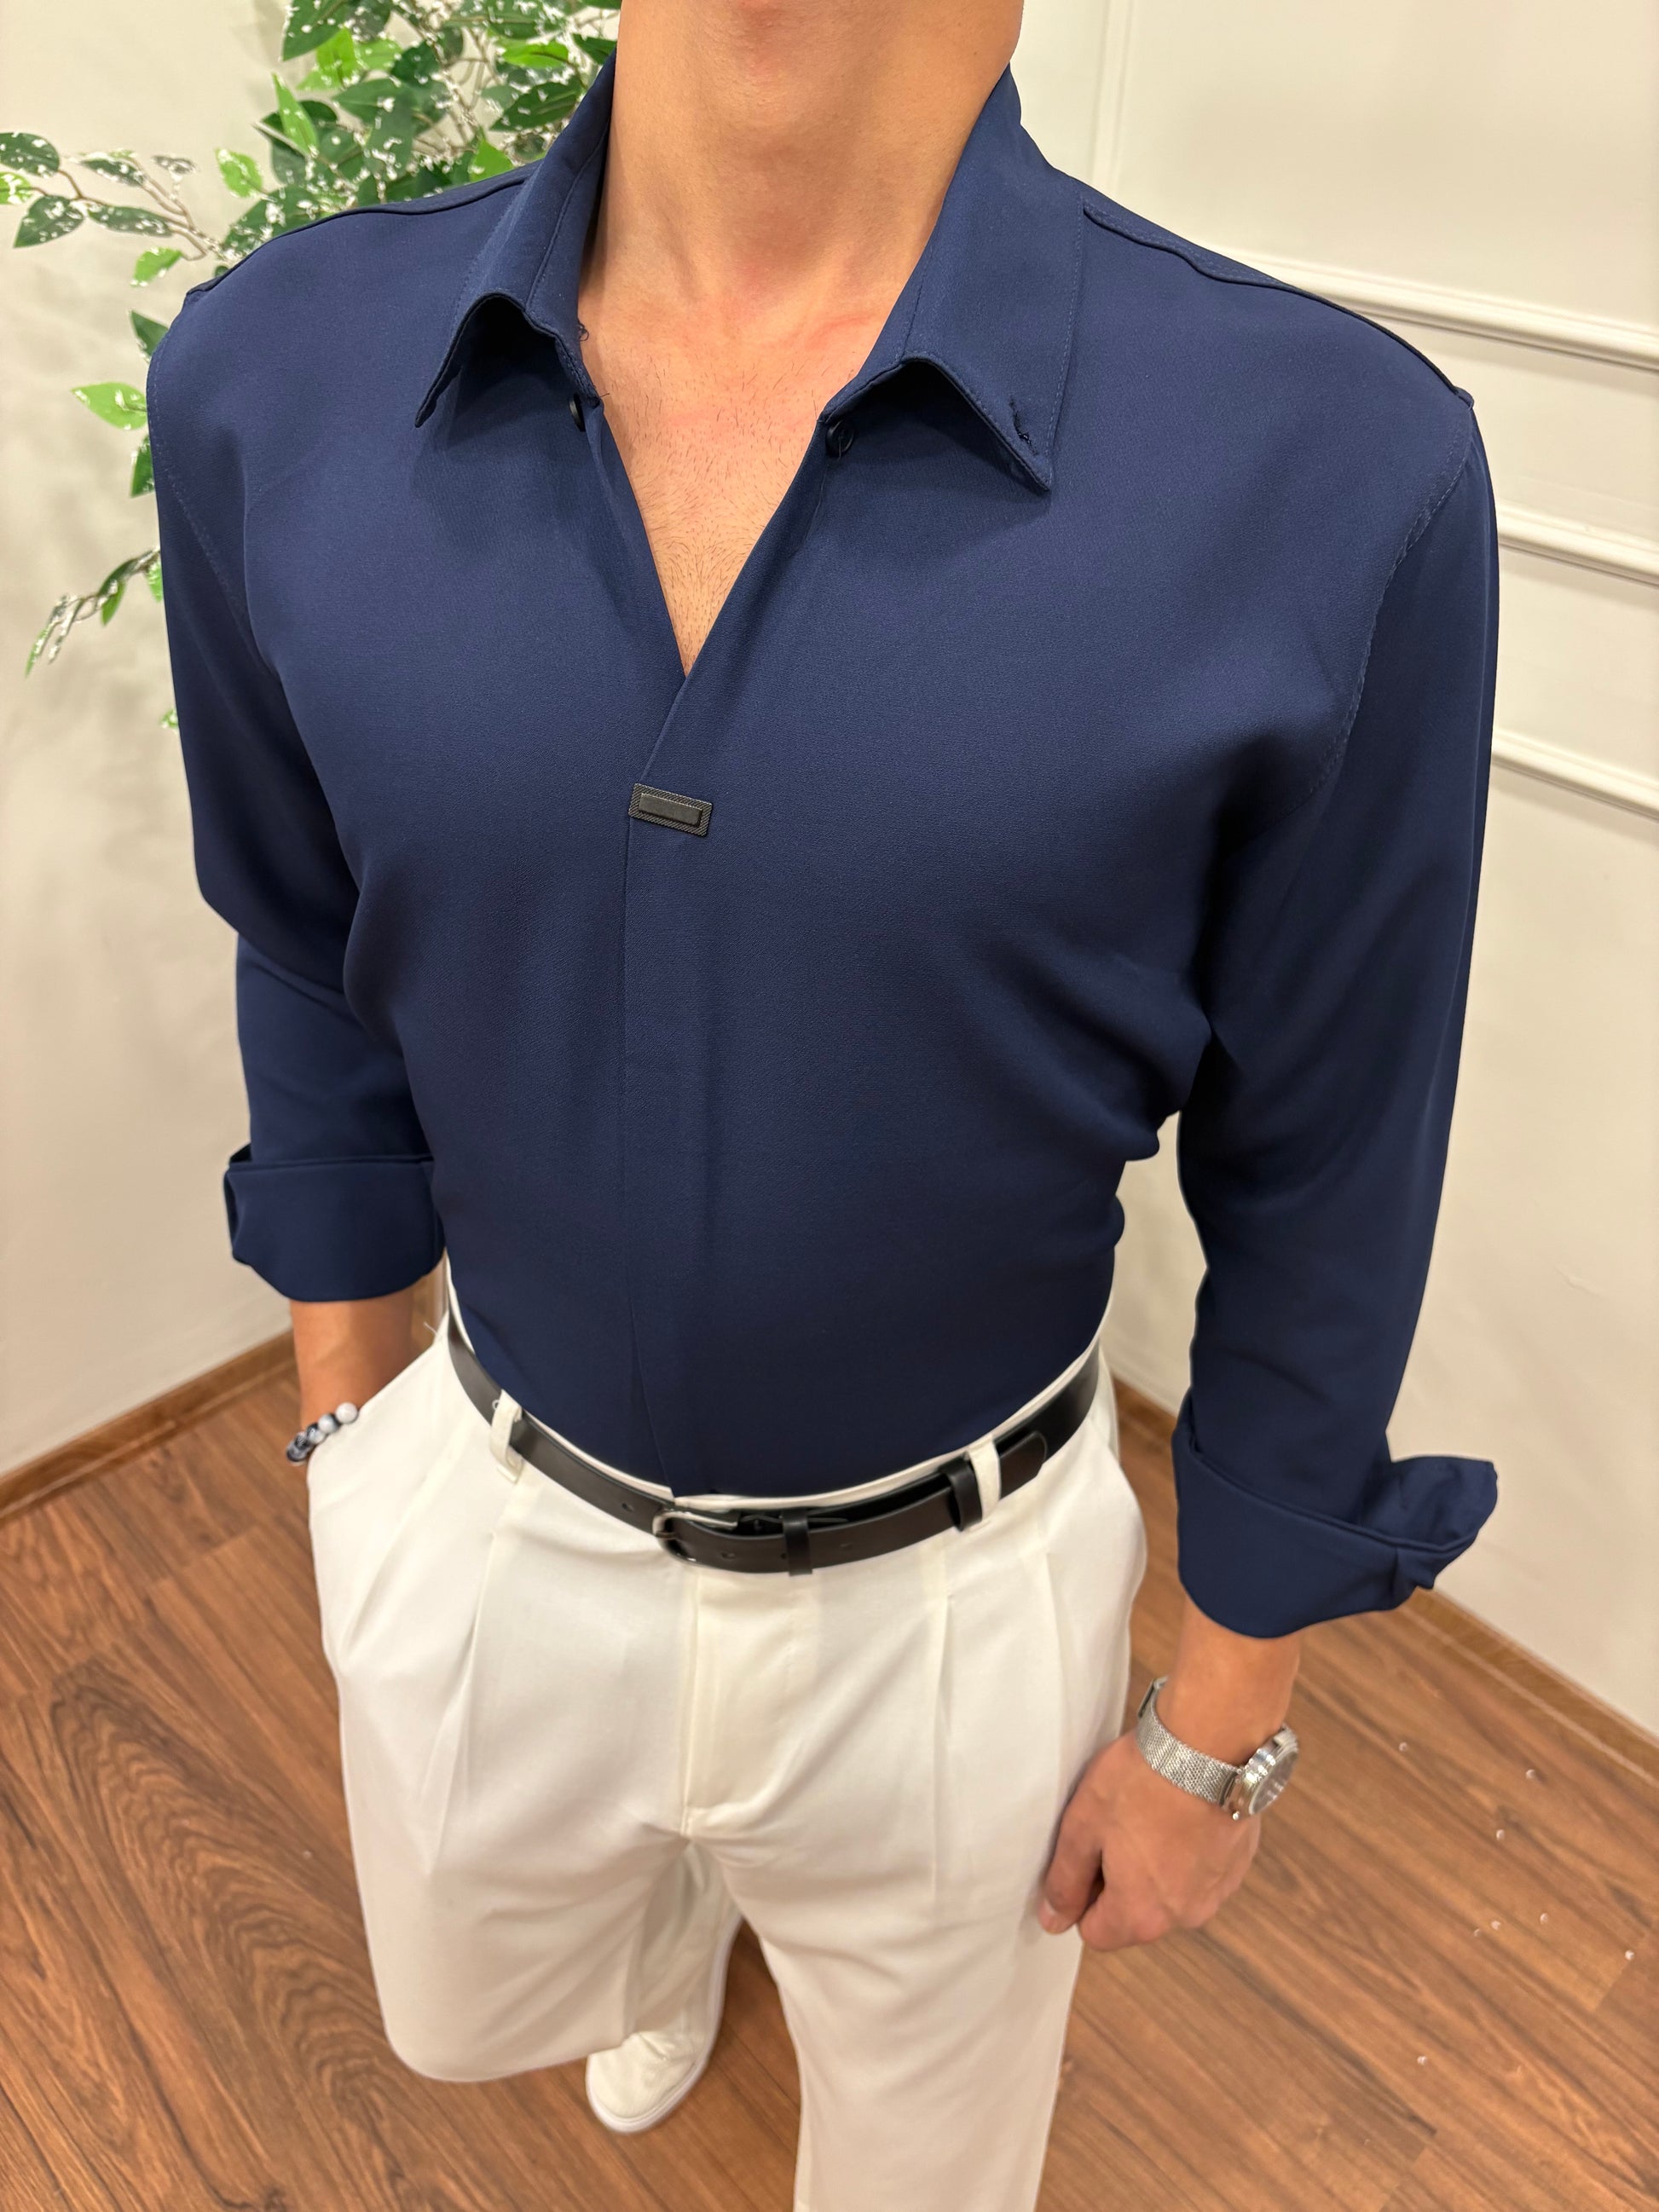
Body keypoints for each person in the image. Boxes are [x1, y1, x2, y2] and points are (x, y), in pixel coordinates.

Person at [147, 0, 1500, 2203]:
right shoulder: (272, 377)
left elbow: (1330, 1160)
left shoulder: (1329, 472)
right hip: (491, 1505)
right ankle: (660, 1933)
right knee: (502, 1990)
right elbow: (306, 939)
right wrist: (344, 1437)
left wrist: (1221, 1716)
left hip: (960, 1604)